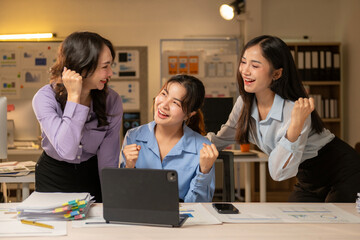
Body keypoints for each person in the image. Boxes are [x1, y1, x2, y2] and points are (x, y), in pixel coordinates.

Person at [207, 35, 360, 202]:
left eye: (255, 65)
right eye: (243, 62)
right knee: (293, 224)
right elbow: (221, 139)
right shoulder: (244, 103)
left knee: (336, 224)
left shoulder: (294, 110)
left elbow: (278, 172)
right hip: (308, 177)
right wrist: (184, 144)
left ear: (277, 73)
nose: (245, 70)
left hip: (342, 170)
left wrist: (295, 126)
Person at [32, 32, 123, 202]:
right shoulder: (44, 98)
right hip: (54, 174)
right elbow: (66, 150)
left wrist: (113, 200)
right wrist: (75, 97)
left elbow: (108, 159)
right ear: (83, 66)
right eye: (105, 67)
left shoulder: (112, 100)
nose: (110, 73)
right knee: (55, 226)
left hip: (92, 172)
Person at [121, 74, 218, 202]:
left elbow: (199, 207)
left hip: (183, 218)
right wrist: (129, 167)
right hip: (140, 216)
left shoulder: (202, 147)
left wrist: (204, 172)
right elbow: (124, 197)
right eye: (164, 94)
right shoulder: (133, 137)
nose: (164, 105)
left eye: (175, 102)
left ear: (189, 114)